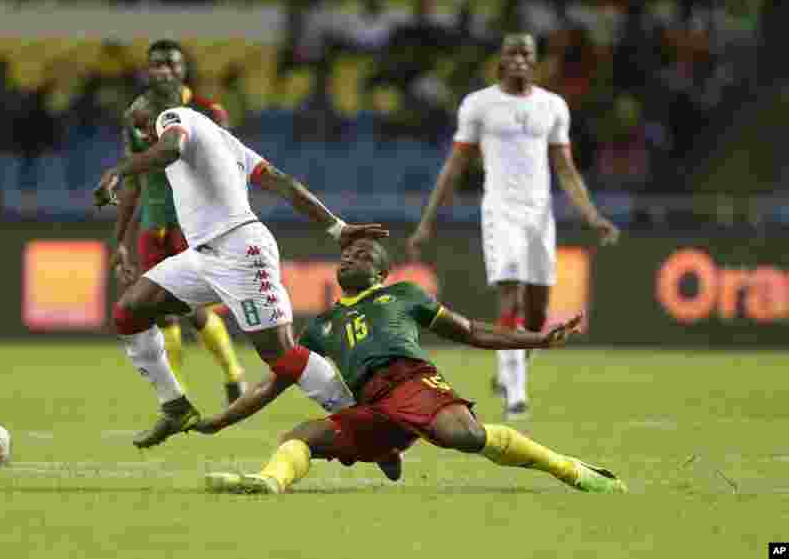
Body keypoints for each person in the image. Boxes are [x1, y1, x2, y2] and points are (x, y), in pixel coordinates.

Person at [197, 238, 627, 495]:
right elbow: (272, 385)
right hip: (369, 404)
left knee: (466, 435)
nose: (349, 258)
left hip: (411, 382)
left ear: (382, 272)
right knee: (303, 436)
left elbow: (472, 331)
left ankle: (571, 470)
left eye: (363, 254)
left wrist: (538, 339)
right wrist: (218, 422)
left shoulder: (404, 294)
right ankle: (270, 482)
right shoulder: (322, 325)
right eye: (347, 254)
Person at [94, 76, 389, 449]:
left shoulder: (172, 117)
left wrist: (118, 171)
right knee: (129, 311)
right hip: (202, 255)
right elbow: (280, 181)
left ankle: (367, 424)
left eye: (140, 126)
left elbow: (169, 149)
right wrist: (334, 226)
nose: (141, 136)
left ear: (155, 112)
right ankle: (174, 406)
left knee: (282, 357)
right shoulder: (222, 138)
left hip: (239, 250)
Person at [407, 32, 620, 420]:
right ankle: (516, 395)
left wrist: (592, 216)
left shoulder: (553, 106)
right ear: (501, 60)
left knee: (537, 315)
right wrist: (427, 223)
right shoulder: (480, 105)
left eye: (527, 53)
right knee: (512, 300)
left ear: (535, 61)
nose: (519, 59)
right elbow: (454, 167)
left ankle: (511, 370)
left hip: (540, 214)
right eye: (512, 53)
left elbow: (566, 170)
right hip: (500, 211)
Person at [112, 39, 248, 406]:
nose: (164, 71)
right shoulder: (137, 116)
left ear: (184, 68)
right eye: (157, 65)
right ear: (148, 70)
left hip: (195, 226)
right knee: (162, 314)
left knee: (196, 312)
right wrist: (120, 239)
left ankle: (234, 375)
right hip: (152, 224)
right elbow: (132, 182)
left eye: (171, 64)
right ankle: (178, 398)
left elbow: (228, 173)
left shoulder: (209, 112)